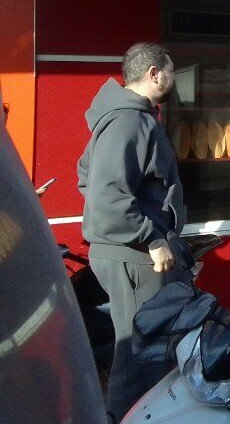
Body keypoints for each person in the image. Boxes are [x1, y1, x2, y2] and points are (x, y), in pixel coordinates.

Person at [77, 42, 187, 421]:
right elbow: (106, 197)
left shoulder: (130, 117)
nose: (175, 79)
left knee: (151, 349)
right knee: (140, 355)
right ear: (155, 73)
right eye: (171, 70)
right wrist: (151, 238)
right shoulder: (128, 121)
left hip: (131, 253)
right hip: (135, 257)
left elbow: (86, 178)